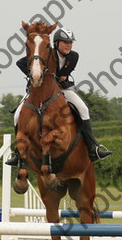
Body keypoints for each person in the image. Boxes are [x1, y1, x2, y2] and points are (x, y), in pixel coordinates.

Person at [6, 27, 112, 166]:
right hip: (40, 90)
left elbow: (64, 73)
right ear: (56, 43)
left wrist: (58, 77)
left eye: (70, 42)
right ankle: (18, 154)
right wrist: (32, 74)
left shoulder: (74, 56)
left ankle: (93, 148)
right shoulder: (47, 54)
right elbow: (20, 62)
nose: (68, 45)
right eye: (65, 42)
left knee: (83, 109)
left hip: (63, 89)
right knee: (17, 115)